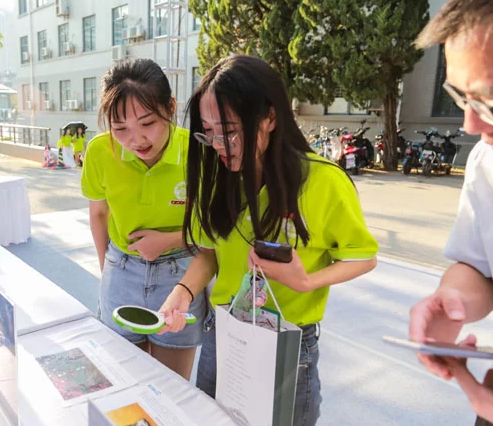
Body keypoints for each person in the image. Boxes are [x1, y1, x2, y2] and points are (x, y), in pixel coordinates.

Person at [158, 54, 378, 424]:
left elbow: (363, 256)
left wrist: (306, 281)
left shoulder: (322, 181)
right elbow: (209, 253)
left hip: (287, 343)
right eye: (207, 132)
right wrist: (182, 292)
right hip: (223, 333)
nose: (217, 144)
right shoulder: (217, 177)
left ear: (270, 117)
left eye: (229, 131)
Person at [80, 58, 206, 380]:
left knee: (169, 388)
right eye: (120, 129)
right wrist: (108, 269)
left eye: (147, 123)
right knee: (120, 384)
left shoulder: (199, 152)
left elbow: (215, 231)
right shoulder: (99, 152)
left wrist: (170, 240)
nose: (136, 140)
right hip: (120, 272)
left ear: (171, 107)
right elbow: (98, 213)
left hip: (181, 276)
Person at [409, 0, 493, 422]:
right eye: (461, 96)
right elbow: (479, 266)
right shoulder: (487, 161)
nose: (471, 124)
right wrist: (452, 302)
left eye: (488, 99)